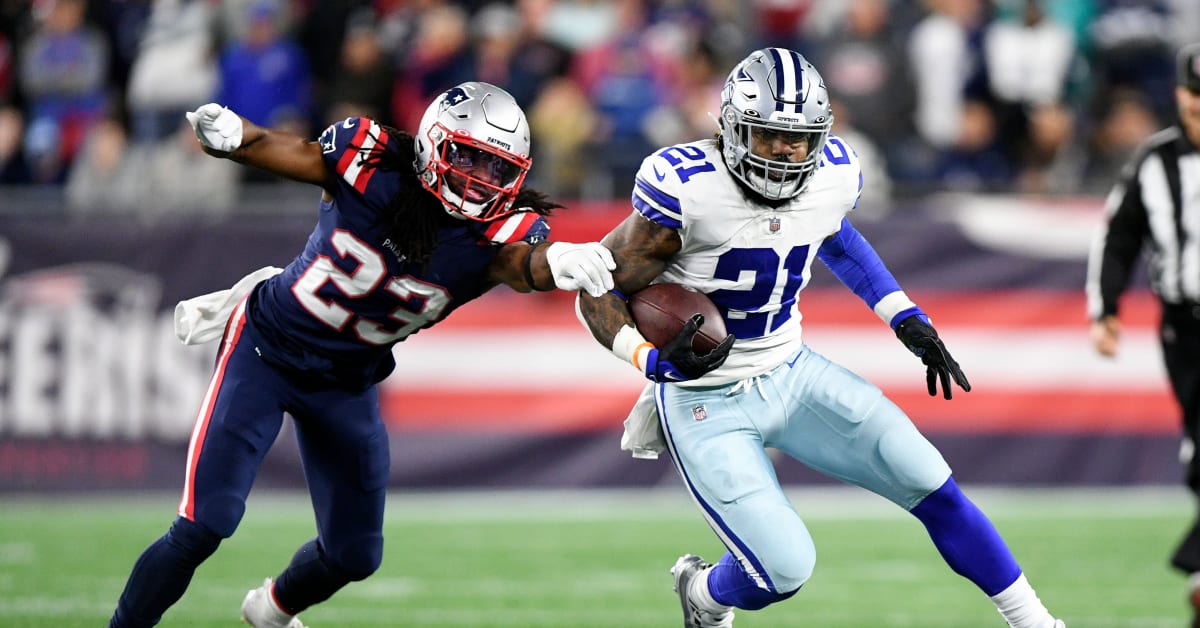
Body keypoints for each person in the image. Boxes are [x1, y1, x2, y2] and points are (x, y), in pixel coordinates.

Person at [575, 47, 1065, 628]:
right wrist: (649, 359)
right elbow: (595, 288)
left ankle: (1037, 623)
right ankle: (705, 596)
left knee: (931, 480)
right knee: (782, 569)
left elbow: (836, 235)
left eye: (800, 138)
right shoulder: (686, 190)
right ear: (732, 129)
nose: (787, 151)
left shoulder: (833, 173)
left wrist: (902, 313)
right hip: (704, 396)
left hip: (791, 368)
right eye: (768, 136)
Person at [107, 81, 616, 628]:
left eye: (495, 168)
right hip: (266, 350)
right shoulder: (371, 164)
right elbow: (288, 151)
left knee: (354, 554)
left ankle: (270, 611)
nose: (478, 179)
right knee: (204, 525)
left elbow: (522, 264)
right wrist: (234, 138)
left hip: (345, 383)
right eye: (467, 156)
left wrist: (556, 260)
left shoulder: (498, 233)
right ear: (432, 144)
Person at [1086, 42, 1200, 626]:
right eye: (1195, 97)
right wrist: (1105, 309)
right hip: (1188, 327)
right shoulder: (1155, 161)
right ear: (1180, 95)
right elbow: (1118, 236)